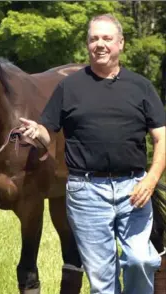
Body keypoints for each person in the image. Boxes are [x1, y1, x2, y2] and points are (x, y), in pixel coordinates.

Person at [19, 14, 166, 294]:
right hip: (86, 193)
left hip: (133, 188)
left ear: (120, 44)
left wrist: (151, 179)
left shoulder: (141, 87)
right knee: (102, 280)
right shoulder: (69, 87)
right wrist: (35, 132)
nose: (99, 44)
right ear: (87, 45)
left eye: (106, 38)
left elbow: (162, 137)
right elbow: (47, 131)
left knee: (140, 259)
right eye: (93, 38)